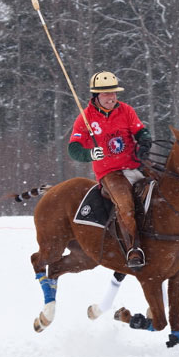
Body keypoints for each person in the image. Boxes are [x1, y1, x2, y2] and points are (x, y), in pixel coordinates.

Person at [68, 71, 152, 268]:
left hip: (134, 164)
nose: (111, 97)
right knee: (125, 203)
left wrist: (145, 142)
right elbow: (73, 148)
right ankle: (133, 249)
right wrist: (89, 155)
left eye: (113, 93)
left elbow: (141, 131)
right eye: (106, 94)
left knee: (166, 185)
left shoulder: (126, 110)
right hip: (110, 172)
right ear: (96, 96)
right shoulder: (85, 118)